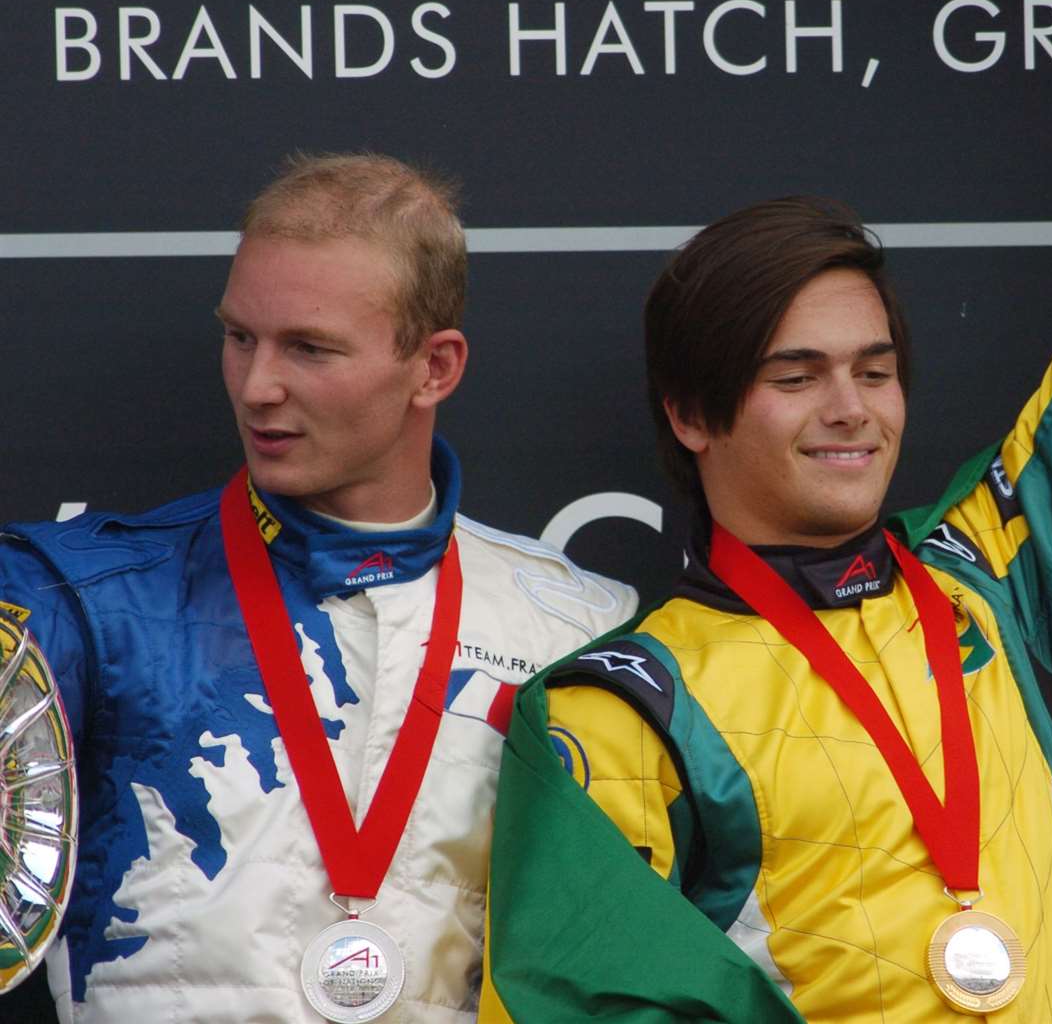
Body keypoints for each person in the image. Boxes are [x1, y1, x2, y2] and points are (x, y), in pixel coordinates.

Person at [481, 0, 1052, 1020]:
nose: (850, 408)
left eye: (875, 371)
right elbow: (591, 1002)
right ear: (692, 412)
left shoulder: (994, 581)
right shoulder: (619, 708)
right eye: (795, 377)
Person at [0, 153, 636, 1022]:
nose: (258, 387)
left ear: (434, 368)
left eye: (309, 348)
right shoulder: (81, 599)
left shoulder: (582, 627)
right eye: (240, 337)